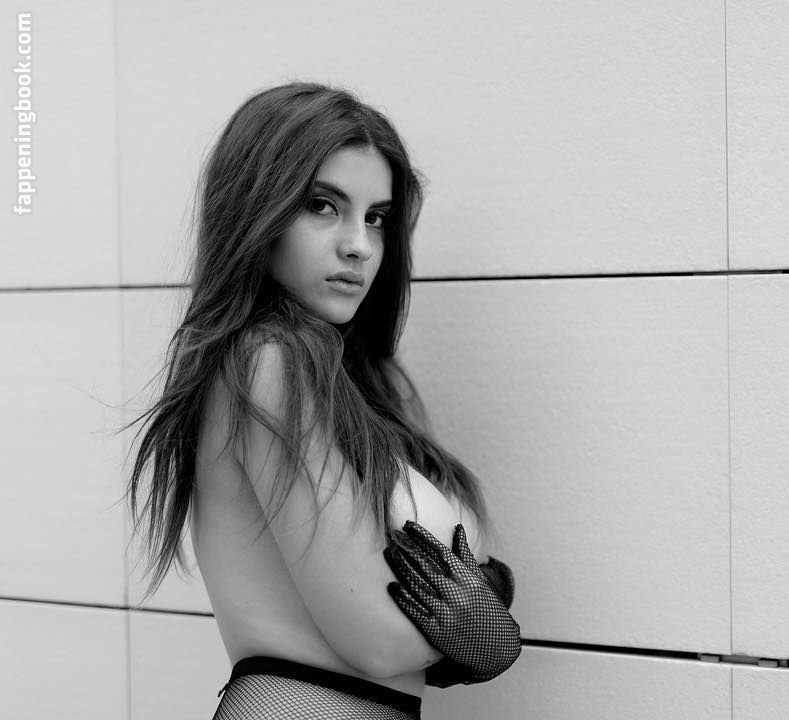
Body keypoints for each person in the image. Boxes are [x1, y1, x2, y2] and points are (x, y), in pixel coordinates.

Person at [120, 81, 521, 719]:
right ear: (257, 210)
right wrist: (481, 621)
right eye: (322, 205)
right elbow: (376, 640)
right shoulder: (269, 362)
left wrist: (479, 614)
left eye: (376, 217)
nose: (358, 244)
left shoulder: (334, 380)